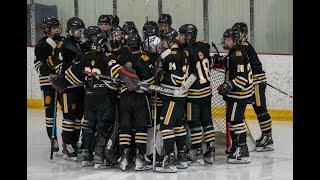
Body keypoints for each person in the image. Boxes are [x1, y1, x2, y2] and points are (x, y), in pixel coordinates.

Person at [107, 28, 154, 171]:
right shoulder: (145, 57)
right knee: (140, 127)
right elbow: (150, 81)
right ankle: (140, 157)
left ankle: (124, 156)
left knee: (125, 127)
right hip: (140, 97)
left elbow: (115, 78)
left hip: (124, 97)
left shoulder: (120, 57)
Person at [232, 22, 273, 152]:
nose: (236, 35)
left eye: (238, 32)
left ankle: (268, 137)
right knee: (258, 109)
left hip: (256, 82)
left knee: (260, 109)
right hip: (252, 82)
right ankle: (266, 136)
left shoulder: (244, 46)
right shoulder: (240, 46)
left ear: (244, 34)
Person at [178, 24, 216, 165]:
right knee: (207, 121)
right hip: (207, 91)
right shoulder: (204, 46)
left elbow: (192, 74)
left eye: (182, 35)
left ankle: (195, 149)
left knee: (193, 122)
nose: (179, 37)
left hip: (194, 94)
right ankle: (211, 149)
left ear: (187, 37)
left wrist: (182, 89)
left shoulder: (186, 52)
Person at [51, 17, 86, 160]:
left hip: (79, 87)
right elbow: (59, 66)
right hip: (67, 88)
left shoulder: (79, 44)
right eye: (78, 30)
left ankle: (74, 142)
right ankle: (67, 144)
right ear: (71, 31)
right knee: (69, 117)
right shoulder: (64, 45)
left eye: (81, 30)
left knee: (78, 117)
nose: (80, 33)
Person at [217, 28, 254, 164]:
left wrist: (227, 86)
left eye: (227, 39)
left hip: (239, 95)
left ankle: (242, 150)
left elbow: (242, 78)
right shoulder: (234, 52)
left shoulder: (237, 54)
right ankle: (236, 147)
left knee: (236, 122)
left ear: (234, 40)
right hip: (236, 95)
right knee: (232, 121)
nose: (225, 41)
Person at [155, 28, 189, 173]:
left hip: (172, 98)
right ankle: (182, 156)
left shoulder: (171, 56)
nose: (162, 44)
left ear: (169, 40)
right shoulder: (183, 53)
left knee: (166, 126)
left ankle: (169, 158)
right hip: (180, 97)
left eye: (163, 41)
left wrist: (161, 75)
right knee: (178, 126)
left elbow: (177, 78)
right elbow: (188, 77)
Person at [34, 16, 64, 152]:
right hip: (48, 83)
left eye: (58, 27)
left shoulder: (63, 41)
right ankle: (53, 139)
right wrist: (52, 63)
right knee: (50, 110)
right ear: (47, 30)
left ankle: (68, 138)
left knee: (68, 110)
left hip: (63, 81)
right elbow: (39, 67)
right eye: (54, 28)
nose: (57, 30)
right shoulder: (41, 44)